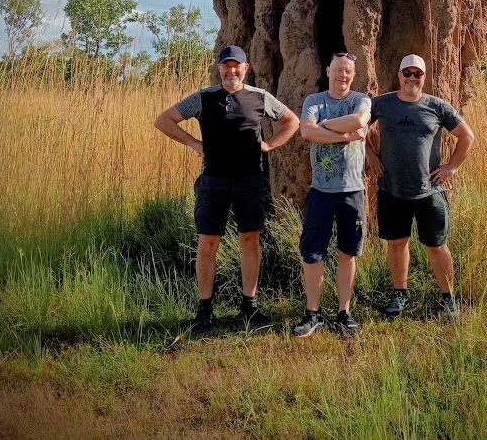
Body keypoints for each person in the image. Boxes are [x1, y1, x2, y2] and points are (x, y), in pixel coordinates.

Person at [154, 44, 299, 332]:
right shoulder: (204, 98)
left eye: (237, 65)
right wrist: (195, 144)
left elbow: (291, 120)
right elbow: (163, 120)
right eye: (226, 65)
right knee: (208, 244)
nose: (231, 70)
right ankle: (205, 309)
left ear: (246, 68)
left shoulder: (260, 97)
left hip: (250, 180)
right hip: (213, 181)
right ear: (219, 68)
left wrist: (269, 144)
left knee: (250, 240)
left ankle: (249, 305)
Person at [367, 54, 474, 319]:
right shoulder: (381, 104)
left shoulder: (437, 106)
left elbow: (466, 136)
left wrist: (451, 167)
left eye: (418, 74)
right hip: (392, 189)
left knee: (437, 245)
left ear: (424, 77)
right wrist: (370, 155)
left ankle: (448, 299)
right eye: (408, 72)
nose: (412, 78)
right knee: (396, 244)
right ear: (399, 74)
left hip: (430, 190)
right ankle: (399, 294)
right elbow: (358, 129)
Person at [293, 52, 371, 338]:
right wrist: (344, 134)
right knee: (313, 254)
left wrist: (323, 127)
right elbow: (306, 131)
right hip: (321, 191)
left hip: (353, 191)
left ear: (354, 73)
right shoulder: (315, 101)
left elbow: (360, 119)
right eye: (338, 69)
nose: (343, 75)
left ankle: (344, 312)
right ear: (328, 69)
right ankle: (313, 314)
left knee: (347, 253)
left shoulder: (362, 100)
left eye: (348, 71)